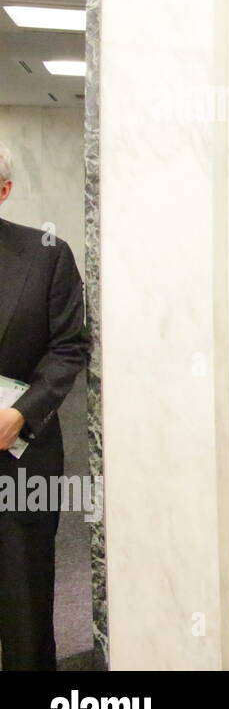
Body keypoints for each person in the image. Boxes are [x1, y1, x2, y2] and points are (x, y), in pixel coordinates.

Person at [0, 141, 90, 670]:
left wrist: (23, 413)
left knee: (23, 596)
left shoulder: (47, 255)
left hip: (18, 456)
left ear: (5, 190)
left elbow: (69, 345)